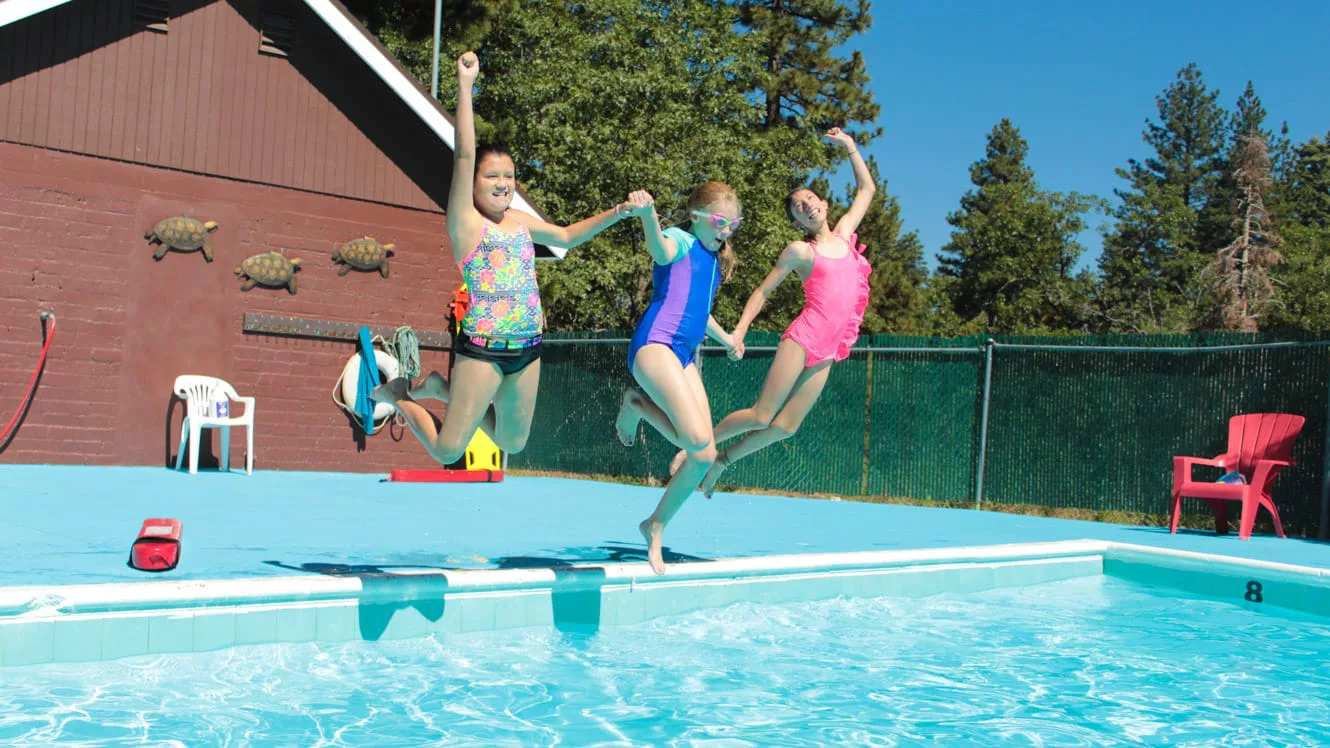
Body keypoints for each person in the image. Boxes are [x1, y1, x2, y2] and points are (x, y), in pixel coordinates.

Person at [373, 51, 635, 465]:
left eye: (509, 176)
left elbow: (566, 235)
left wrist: (618, 212)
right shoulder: (466, 223)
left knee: (512, 443)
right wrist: (465, 85)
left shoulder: (519, 222)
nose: (502, 184)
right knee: (447, 449)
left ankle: (442, 390)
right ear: (473, 182)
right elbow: (463, 154)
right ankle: (399, 395)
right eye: (492, 176)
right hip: (482, 348)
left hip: (528, 347)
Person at [679, 127, 875, 498]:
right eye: (800, 207)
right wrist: (739, 331)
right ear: (797, 223)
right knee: (760, 415)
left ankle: (723, 460)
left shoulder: (847, 236)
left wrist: (849, 146)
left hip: (830, 349)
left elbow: (867, 190)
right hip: (803, 339)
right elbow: (763, 291)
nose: (808, 205)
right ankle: (693, 446)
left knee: (786, 427)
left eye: (812, 198)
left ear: (826, 204)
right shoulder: (800, 252)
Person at [614, 182, 744, 574]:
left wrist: (728, 339)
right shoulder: (680, 240)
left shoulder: (712, 265)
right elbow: (659, 250)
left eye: (733, 225)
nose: (726, 231)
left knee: (702, 454)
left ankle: (654, 524)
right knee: (694, 441)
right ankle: (634, 405)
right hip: (656, 343)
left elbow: (699, 314)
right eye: (720, 221)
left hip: (683, 353)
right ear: (697, 217)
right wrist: (648, 215)